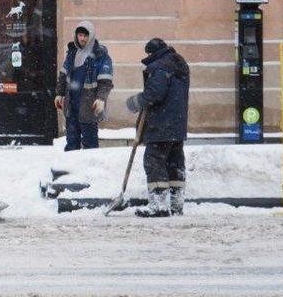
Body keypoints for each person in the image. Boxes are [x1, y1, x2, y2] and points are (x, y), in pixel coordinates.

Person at [126, 38, 191, 218]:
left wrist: (135, 102)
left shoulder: (159, 67)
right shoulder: (180, 65)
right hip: (177, 125)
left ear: (151, 53)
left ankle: (160, 206)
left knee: (154, 160)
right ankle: (176, 205)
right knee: (174, 163)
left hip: (161, 124)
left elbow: (155, 93)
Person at [55, 20, 113, 150]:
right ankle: (70, 168)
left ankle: (90, 170)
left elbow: (105, 82)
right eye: (80, 35)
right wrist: (59, 93)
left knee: (90, 144)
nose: (82, 38)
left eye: (85, 36)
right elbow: (63, 75)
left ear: (91, 36)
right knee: (71, 142)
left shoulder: (100, 56)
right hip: (72, 106)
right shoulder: (72, 53)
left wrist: (101, 98)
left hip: (88, 106)